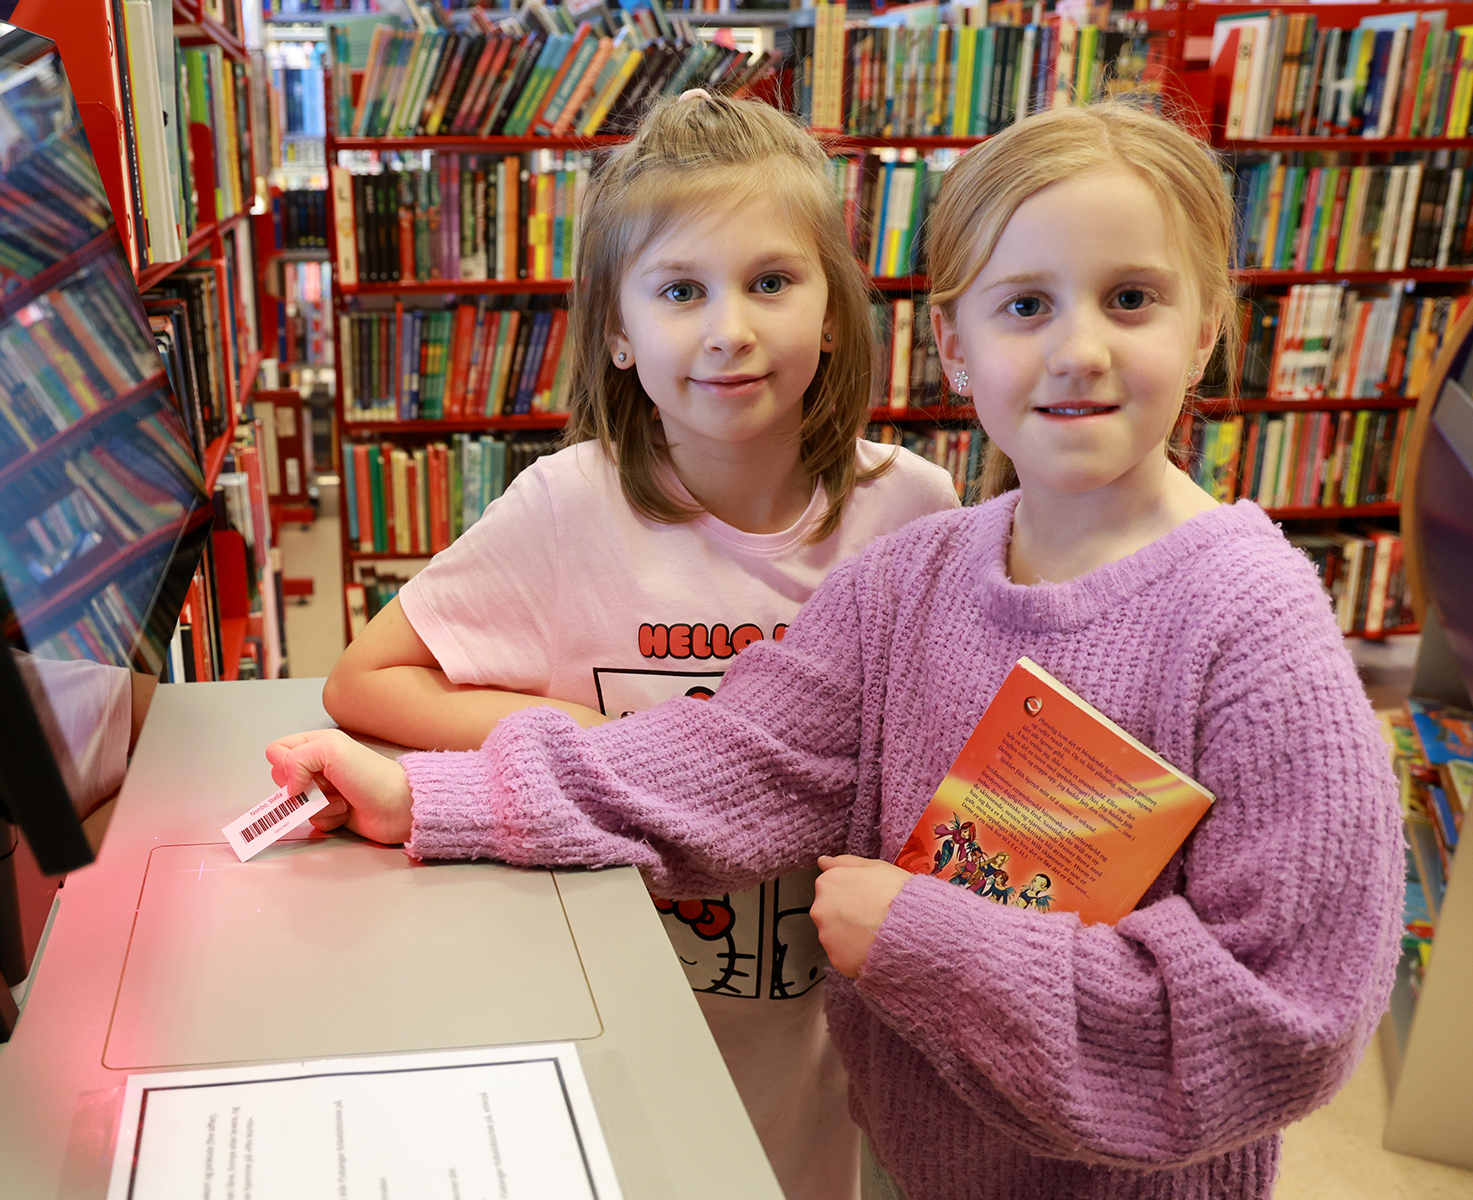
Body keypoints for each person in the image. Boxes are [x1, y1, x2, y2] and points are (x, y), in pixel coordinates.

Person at [272, 100, 1404, 1199]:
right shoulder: (914, 577)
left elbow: (1281, 1024)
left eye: (1131, 298)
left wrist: (925, 941)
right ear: (953, 347)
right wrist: (421, 799)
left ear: (1207, 327)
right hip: (912, 1162)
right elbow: (731, 764)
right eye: (1025, 306)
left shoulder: (1258, 632)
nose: (1079, 352)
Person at [321, 90, 959, 1200]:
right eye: (679, 290)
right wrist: (590, 734)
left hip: (804, 1043)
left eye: (771, 281)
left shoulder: (913, 512)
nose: (729, 328)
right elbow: (365, 679)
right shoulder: (568, 506)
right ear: (618, 331)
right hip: (595, 1003)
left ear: (836, 312)